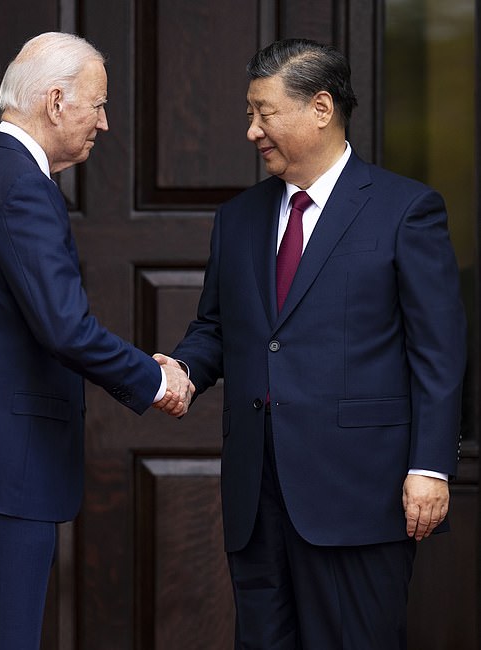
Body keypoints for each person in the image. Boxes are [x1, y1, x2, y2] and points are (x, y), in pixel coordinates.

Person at [154, 38, 466, 649]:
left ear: (320, 108)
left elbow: (439, 352)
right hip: (257, 494)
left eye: (263, 112)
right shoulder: (238, 217)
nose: (251, 131)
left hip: (359, 492)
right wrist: (185, 368)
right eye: (250, 113)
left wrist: (429, 466)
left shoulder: (405, 210)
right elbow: (217, 327)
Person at [0, 32, 192, 650]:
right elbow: (65, 327)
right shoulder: (21, 186)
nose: (105, 123)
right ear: (56, 102)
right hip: (3, 460)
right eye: (98, 105)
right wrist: (156, 379)